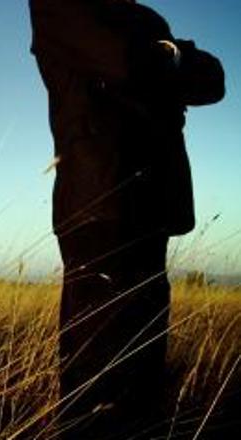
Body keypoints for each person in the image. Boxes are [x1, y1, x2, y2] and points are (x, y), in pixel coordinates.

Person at [28, 0, 224, 438]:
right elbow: (125, 62)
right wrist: (175, 57)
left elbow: (214, 79)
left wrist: (164, 57)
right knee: (99, 366)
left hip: (156, 201)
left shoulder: (146, 18)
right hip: (102, 200)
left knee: (144, 358)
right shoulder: (61, 6)